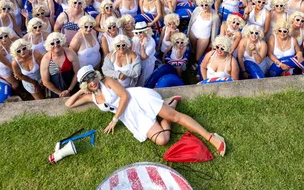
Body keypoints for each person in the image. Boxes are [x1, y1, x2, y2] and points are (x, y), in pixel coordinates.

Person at [65, 65, 226, 155]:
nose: (92, 82)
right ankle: (170, 104)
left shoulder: (107, 81)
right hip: (131, 115)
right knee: (162, 140)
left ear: (96, 75)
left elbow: (124, 96)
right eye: (87, 81)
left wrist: (114, 120)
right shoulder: (91, 96)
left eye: (92, 77)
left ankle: (210, 136)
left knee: (175, 117)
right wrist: (80, 91)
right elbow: (69, 104)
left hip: (137, 99)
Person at [40, 32, 80, 98]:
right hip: (56, 90)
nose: (56, 45)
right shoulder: (46, 59)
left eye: (58, 42)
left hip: (72, 87)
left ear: (62, 41)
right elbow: (45, 81)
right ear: (49, 45)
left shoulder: (70, 53)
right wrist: (60, 93)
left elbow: (77, 73)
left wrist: (69, 90)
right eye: (52, 43)